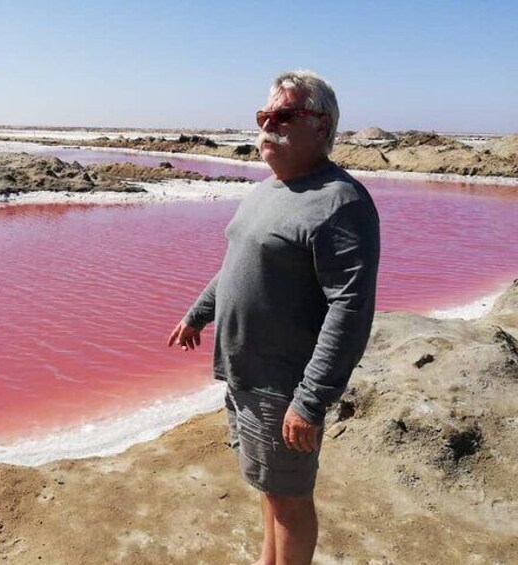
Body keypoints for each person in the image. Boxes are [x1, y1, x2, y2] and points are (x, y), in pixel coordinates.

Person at [167, 70, 380, 565]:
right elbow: (236, 267)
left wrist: (310, 400)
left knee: (290, 499)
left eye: (284, 116)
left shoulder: (340, 203)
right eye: (264, 116)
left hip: (283, 385)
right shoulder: (268, 191)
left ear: (322, 126)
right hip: (244, 372)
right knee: (268, 486)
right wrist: (197, 316)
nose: (267, 127)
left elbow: (350, 308)